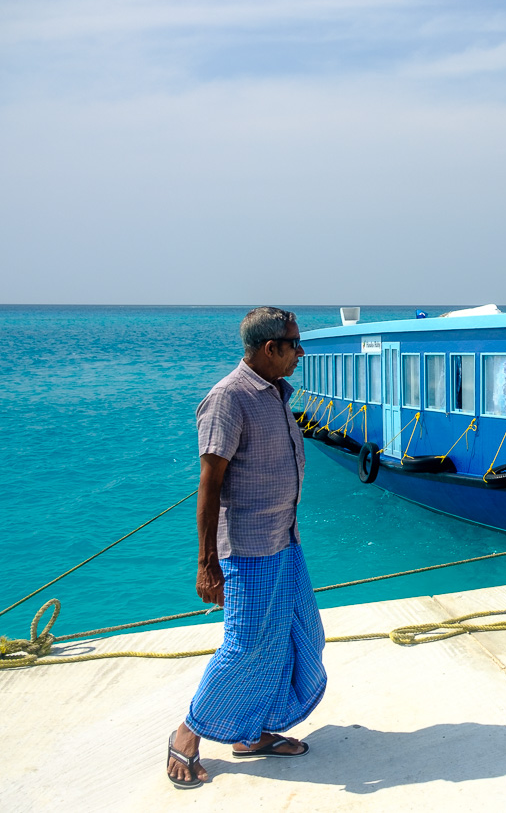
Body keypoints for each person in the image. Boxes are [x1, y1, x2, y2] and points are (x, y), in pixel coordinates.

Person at [166, 307, 327, 789]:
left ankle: (249, 732)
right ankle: (187, 734)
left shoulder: (277, 392)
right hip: (248, 549)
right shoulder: (228, 399)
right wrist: (206, 563)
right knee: (244, 647)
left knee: (300, 634)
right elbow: (209, 484)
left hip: (284, 540)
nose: (301, 353)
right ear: (268, 348)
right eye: (294, 345)